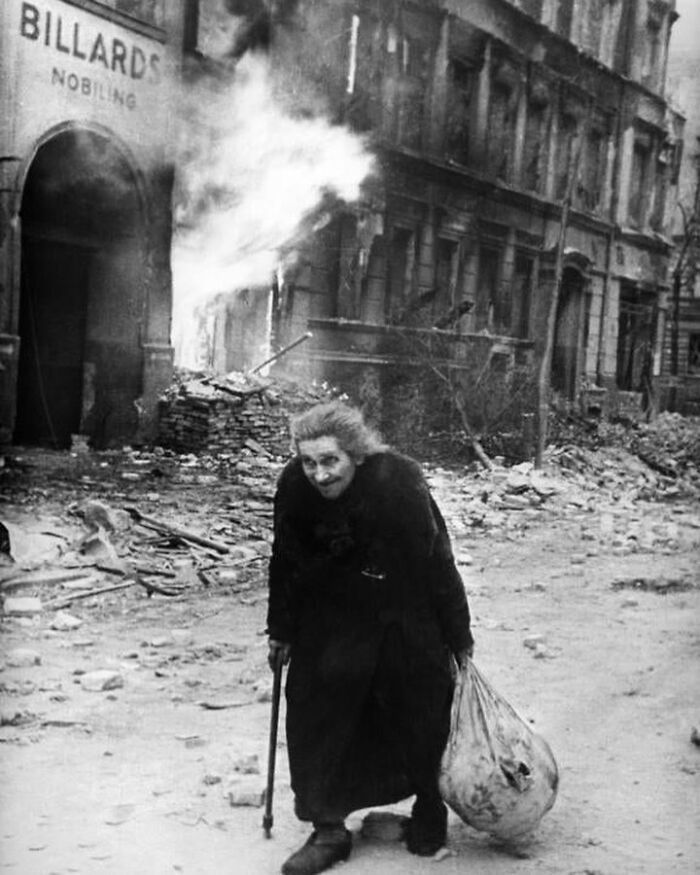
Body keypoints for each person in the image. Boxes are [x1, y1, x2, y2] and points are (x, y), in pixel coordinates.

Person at [266, 401, 474, 875]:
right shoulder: (294, 487)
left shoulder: (398, 480)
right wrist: (280, 629)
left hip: (400, 610)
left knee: (419, 706)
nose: (319, 475)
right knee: (315, 710)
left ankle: (428, 809)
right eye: (309, 462)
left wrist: (457, 634)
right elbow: (285, 561)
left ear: (356, 455)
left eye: (330, 461)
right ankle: (328, 828)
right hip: (330, 615)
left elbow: (438, 559)